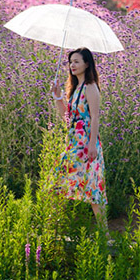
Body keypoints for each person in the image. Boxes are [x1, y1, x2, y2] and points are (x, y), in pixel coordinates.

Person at [51, 47, 108, 231]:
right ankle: (54, 228)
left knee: (93, 189)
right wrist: (58, 96)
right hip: (74, 144)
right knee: (59, 184)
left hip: (87, 145)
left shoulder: (91, 87)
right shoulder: (75, 90)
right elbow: (67, 119)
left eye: (76, 61)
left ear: (87, 63)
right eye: (70, 62)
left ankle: (104, 235)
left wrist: (92, 145)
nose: (72, 65)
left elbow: (95, 117)